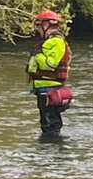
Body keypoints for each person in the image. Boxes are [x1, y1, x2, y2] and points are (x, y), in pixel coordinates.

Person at [27, 9, 72, 138]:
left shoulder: (56, 42)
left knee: (50, 123)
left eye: (38, 25)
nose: (37, 29)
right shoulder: (48, 41)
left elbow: (50, 64)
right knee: (48, 122)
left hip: (50, 88)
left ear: (47, 25)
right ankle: (51, 147)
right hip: (44, 87)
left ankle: (50, 148)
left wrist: (38, 56)